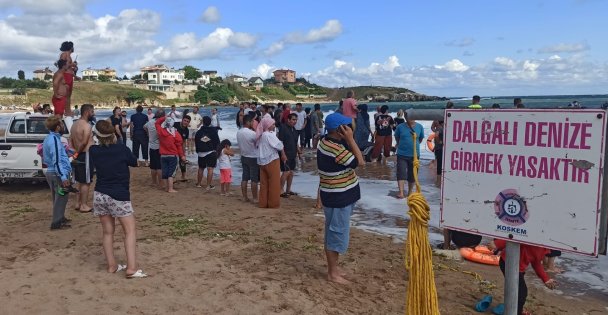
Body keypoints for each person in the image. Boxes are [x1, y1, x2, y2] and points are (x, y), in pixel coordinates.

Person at [89, 120, 147, 278]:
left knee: (108, 232)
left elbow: (92, 142)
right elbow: (134, 162)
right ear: (113, 133)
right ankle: (131, 268)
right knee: (129, 231)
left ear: (97, 135)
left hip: (100, 194)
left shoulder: (93, 150)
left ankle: (112, 265)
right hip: (119, 195)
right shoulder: (121, 149)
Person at [317, 113, 364, 284]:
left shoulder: (326, 141)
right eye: (347, 126)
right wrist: (351, 140)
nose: (350, 128)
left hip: (336, 195)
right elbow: (360, 161)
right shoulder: (336, 149)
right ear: (340, 130)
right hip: (338, 197)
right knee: (336, 235)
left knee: (334, 232)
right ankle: (332, 273)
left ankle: (334, 269)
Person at [490, 239, 557, 315]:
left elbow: (536, 262)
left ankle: (516, 310)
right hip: (508, 262)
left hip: (519, 268)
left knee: (519, 291)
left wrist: (546, 279)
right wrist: (497, 243)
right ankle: (516, 311)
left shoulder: (544, 246)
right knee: (521, 293)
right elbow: (517, 237)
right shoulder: (536, 237)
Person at [43, 116, 72, 230]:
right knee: (61, 197)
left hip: (54, 172)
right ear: (57, 127)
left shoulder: (51, 138)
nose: (63, 126)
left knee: (58, 196)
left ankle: (60, 217)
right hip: (56, 173)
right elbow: (56, 161)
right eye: (62, 124)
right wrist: (63, 177)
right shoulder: (54, 140)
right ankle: (57, 222)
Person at [69, 103, 95, 213]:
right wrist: (77, 153)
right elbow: (84, 142)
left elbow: (70, 140)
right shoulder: (87, 125)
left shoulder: (74, 125)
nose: (93, 114)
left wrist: (73, 153)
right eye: (92, 112)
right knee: (86, 181)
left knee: (79, 180)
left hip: (77, 154)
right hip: (85, 154)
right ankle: (84, 205)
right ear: (87, 112)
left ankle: (77, 203)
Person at [394, 112, 424, 198]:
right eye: (408, 116)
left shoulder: (419, 127)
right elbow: (397, 137)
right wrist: (400, 144)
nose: (410, 118)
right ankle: (401, 192)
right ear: (406, 117)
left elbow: (420, 139)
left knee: (412, 174)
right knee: (401, 172)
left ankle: (410, 192)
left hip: (415, 155)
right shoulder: (400, 127)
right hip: (402, 153)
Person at [256, 116, 284, 208]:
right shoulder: (269, 135)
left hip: (262, 161)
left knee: (264, 184)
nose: (274, 125)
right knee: (274, 183)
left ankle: (263, 203)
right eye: (273, 124)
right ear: (268, 125)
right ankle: (273, 204)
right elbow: (279, 146)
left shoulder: (261, 135)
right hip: (272, 160)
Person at [155, 116, 186, 193]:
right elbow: (179, 145)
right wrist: (182, 156)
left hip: (163, 155)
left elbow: (157, 123)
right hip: (173, 155)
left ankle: (166, 188)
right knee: (171, 173)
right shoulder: (175, 133)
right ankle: (170, 188)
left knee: (165, 172)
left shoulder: (160, 131)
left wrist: (164, 117)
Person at [236, 115, 259, 203]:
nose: (253, 123)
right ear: (248, 122)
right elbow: (258, 142)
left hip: (244, 155)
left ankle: (245, 197)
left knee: (245, 178)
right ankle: (255, 198)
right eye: (252, 122)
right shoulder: (252, 133)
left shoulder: (239, 132)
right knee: (254, 179)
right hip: (253, 156)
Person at [195, 116, 220, 190]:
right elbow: (217, 142)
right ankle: (208, 185)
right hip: (210, 151)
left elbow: (196, 141)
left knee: (201, 168)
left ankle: (199, 184)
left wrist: (198, 150)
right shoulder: (213, 131)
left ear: (203, 122)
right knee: (210, 169)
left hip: (200, 152)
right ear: (210, 122)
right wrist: (216, 150)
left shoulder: (199, 132)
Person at [278, 113, 300, 198]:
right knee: (286, 172)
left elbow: (295, 142)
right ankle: (280, 190)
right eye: (293, 120)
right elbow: (280, 142)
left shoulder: (293, 129)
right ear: (288, 120)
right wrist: (283, 154)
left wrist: (299, 152)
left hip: (293, 154)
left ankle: (288, 190)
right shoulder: (283, 128)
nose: (295, 121)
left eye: (296, 120)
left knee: (291, 172)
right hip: (285, 154)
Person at [144, 109, 164, 190]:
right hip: (160, 146)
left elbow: (144, 127)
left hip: (152, 146)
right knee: (159, 166)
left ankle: (154, 182)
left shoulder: (150, 122)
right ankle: (160, 183)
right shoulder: (162, 124)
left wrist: (148, 133)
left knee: (153, 166)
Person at [59, 41, 77, 116]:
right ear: (70, 47)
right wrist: (72, 64)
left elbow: (67, 66)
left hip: (69, 75)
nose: (73, 48)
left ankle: (68, 110)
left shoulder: (69, 56)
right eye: (72, 46)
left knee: (69, 95)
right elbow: (61, 64)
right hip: (66, 75)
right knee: (66, 94)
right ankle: (66, 111)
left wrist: (73, 69)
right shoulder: (64, 54)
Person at [173, 115, 191, 182]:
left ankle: (183, 176)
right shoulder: (175, 124)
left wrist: (183, 152)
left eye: (187, 121)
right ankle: (173, 177)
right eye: (185, 120)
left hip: (180, 147)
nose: (186, 122)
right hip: (172, 146)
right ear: (182, 120)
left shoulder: (186, 130)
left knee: (183, 161)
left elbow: (184, 142)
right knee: (174, 163)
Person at [434, 120, 444, 187]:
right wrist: (439, 142)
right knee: (440, 165)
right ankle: (438, 182)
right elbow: (436, 135)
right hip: (439, 149)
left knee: (440, 165)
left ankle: (438, 182)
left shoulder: (440, 127)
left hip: (438, 149)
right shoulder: (440, 128)